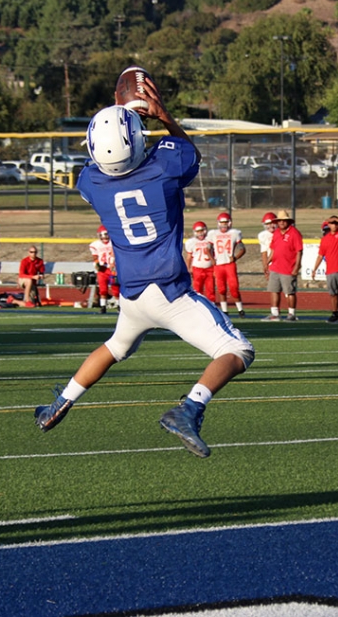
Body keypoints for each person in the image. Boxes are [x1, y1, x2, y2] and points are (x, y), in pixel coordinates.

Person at [33, 99, 254, 460]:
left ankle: (58, 403)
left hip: (132, 296)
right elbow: (188, 153)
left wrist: (121, 115)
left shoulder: (91, 182)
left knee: (116, 347)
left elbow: (103, 163)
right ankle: (190, 409)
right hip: (168, 292)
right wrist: (164, 116)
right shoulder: (164, 168)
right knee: (238, 350)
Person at [263, 209, 302, 321]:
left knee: (289, 291)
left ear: (288, 221)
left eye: (284, 221)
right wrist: (267, 263)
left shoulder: (294, 233)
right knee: (274, 290)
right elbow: (273, 250)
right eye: (279, 221)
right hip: (275, 267)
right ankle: (275, 313)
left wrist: (296, 267)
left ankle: (291, 313)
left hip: (288, 267)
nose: (281, 223)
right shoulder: (276, 233)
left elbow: (299, 251)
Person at [312, 215, 338, 322]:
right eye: (331, 223)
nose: (333, 225)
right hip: (330, 270)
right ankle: (335, 312)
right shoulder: (325, 239)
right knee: (333, 294)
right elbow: (320, 255)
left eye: (335, 223)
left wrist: (337, 219)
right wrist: (315, 268)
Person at [208, 211, 246, 318]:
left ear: (229, 223)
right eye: (222, 222)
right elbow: (207, 249)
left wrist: (235, 258)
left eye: (226, 222)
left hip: (229, 265)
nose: (224, 225)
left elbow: (243, 249)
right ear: (218, 223)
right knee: (221, 289)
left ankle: (240, 310)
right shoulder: (213, 234)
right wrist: (212, 260)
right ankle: (225, 311)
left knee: (234, 288)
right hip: (218, 265)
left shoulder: (234, 233)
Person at [89, 225, 120, 313]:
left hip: (113, 268)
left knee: (116, 288)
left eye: (106, 234)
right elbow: (95, 256)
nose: (104, 237)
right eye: (102, 235)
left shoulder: (114, 243)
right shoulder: (95, 244)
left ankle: (119, 305)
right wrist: (96, 263)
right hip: (102, 269)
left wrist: (114, 263)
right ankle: (103, 307)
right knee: (103, 289)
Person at [184, 221, 215, 300]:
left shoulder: (210, 240)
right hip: (197, 268)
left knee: (210, 289)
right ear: (195, 232)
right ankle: (199, 304)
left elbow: (214, 254)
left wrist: (216, 268)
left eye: (202, 231)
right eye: (198, 231)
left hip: (209, 268)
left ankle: (212, 304)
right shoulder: (191, 242)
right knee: (197, 289)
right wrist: (188, 268)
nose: (200, 233)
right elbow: (189, 257)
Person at [258, 212, 277, 285]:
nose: (270, 226)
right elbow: (264, 252)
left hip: (282, 262)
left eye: (272, 223)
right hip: (271, 263)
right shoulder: (263, 235)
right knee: (273, 287)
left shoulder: (280, 233)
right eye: (268, 224)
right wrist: (265, 266)